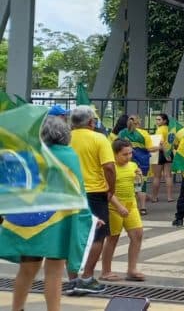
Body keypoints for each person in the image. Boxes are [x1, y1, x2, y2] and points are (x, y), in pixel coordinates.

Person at [0, 116, 92, 311]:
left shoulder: (29, 154)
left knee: (26, 270)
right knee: (54, 273)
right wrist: (86, 216)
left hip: (28, 220)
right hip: (59, 221)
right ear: (66, 134)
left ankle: (17, 308)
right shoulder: (69, 156)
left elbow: (14, 186)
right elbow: (77, 192)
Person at [68, 105, 117, 294]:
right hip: (95, 192)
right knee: (97, 235)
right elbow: (110, 168)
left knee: (73, 235)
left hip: (70, 192)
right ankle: (87, 277)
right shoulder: (99, 138)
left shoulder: (65, 139)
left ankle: (73, 280)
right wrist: (111, 189)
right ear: (90, 122)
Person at [99, 139, 146, 282]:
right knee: (112, 238)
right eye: (124, 154)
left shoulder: (132, 165)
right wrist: (118, 206)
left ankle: (132, 269)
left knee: (137, 234)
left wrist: (139, 176)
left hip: (130, 205)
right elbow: (106, 191)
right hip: (114, 207)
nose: (128, 157)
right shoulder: (110, 168)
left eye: (130, 153)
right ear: (115, 154)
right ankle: (106, 270)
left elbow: (137, 185)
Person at [118, 115, 157, 215]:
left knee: (128, 183)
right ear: (139, 123)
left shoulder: (122, 133)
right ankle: (143, 208)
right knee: (141, 184)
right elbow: (149, 148)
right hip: (141, 162)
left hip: (126, 161)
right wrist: (160, 147)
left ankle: (129, 206)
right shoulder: (143, 133)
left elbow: (117, 146)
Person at [150, 113, 175, 203]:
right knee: (168, 176)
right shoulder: (170, 129)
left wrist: (165, 154)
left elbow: (161, 143)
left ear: (164, 121)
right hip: (169, 152)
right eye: (156, 119)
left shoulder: (160, 130)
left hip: (160, 153)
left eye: (159, 119)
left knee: (157, 177)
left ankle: (154, 197)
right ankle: (169, 197)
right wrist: (168, 154)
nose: (157, 121)